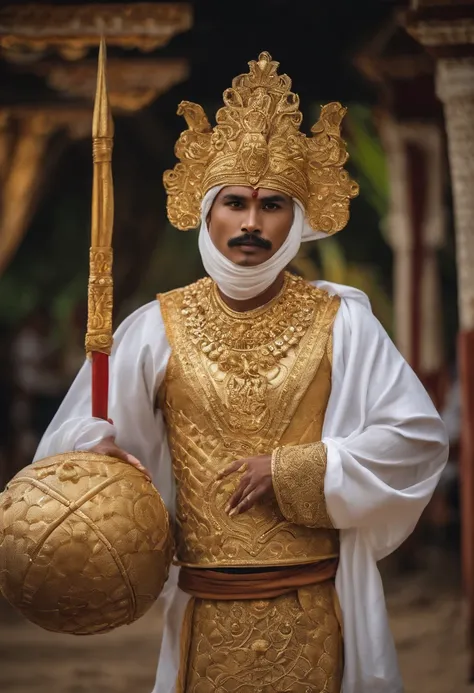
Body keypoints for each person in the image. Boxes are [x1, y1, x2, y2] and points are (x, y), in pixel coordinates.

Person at [35, 53, 448, 693]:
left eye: (273, 204)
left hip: (314, 610)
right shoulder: (154, 326)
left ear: (298, 219)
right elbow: (74, 442)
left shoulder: (344, 322)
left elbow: (417, 440)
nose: (252, 223)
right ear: (207, 211)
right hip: (203, 613)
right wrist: (102, 456)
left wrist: (293, 470)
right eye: (235, 203)